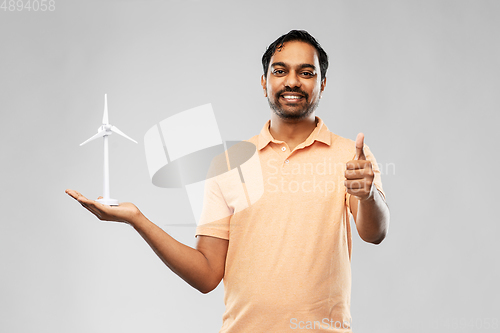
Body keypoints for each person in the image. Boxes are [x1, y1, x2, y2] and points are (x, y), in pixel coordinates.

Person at [66, 30, 390, 332]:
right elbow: (207, 273)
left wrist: (367, 195)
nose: (293, 81)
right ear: (264, 82)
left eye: (307, 72)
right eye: (280, 71)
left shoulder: (352, 156)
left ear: (322, 83)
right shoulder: (228, 164)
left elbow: (374, 233)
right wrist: (137, 219)